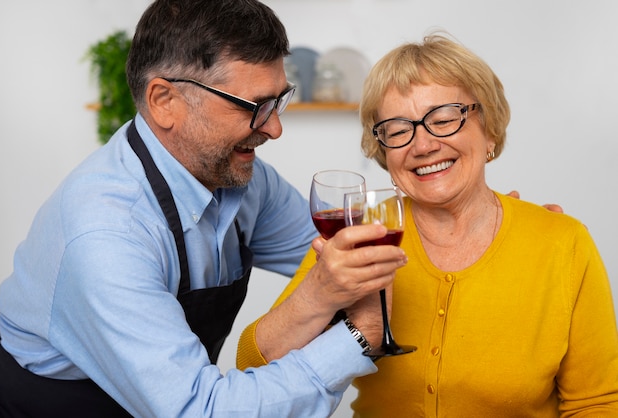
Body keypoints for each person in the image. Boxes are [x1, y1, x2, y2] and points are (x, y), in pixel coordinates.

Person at [0, 0, 411, 416]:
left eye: (279, 100)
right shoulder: (106, 234)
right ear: (164, 101)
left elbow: (338, 259)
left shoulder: (244, 180)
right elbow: (202, 410)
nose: (275, 128)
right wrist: (358, 338)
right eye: (253, 107)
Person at [237, 33, 618, 416]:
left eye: (444, 119)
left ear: (489, 128)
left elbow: (597, 403)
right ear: (383, 149)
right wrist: (320, 291)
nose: (422, 145)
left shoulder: (563, 243)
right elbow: (252, 363)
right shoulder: (363, 234)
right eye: (399, 129)